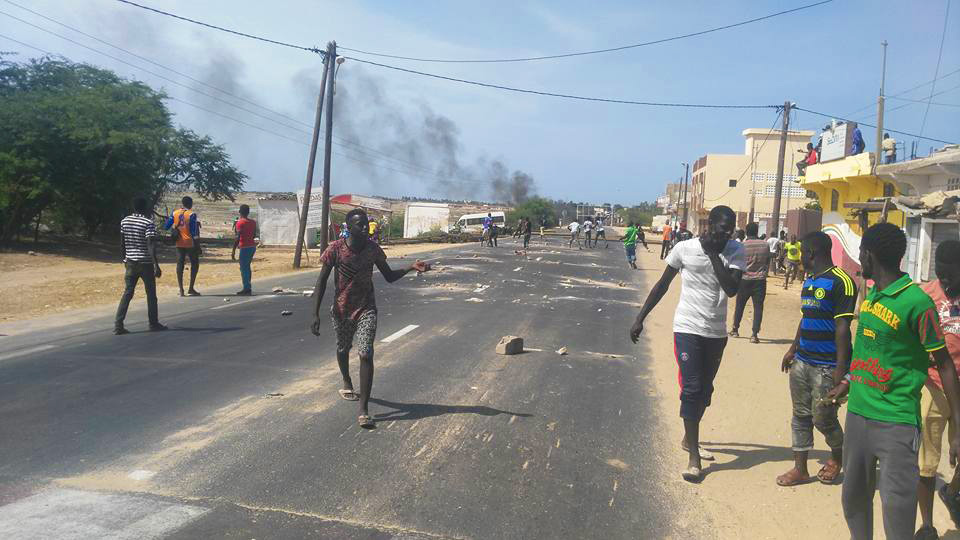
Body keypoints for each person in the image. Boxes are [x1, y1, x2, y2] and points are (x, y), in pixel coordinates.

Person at [839, 222, 960, 540]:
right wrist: (849, 379)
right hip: (857, 415)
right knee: (853, 500)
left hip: (896, 422)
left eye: (861, 253)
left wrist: (958, 424)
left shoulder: (917, 303)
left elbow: (945, 364)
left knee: (897, 509)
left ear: (868, 255)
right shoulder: (873, 295)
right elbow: (868, 350)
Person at [630, 205, 745, 482]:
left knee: (706, 390)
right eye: (720, 229)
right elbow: (662, 284)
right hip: (687, 328)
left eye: (729, 231)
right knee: (692, 387)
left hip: (715, 332)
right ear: (709, 226)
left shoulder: (735, 250)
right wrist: (640, 317)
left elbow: (731, 289)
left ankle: (687, 438)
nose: (725, 235)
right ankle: (693, 457)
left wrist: (715, 254)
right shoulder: (684, 248)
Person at [311, 208, 431, 429]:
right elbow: (321, 282)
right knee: (342, 348)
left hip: (367, 308)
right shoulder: (335, 250)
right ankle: (347, 381)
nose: (365, 227)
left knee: (365, 353)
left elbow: (389, 276)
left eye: (366, 224)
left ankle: (363, 409)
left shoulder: (373, 249)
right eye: (360, 224)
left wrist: (410, 267)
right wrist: (315, 313)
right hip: (342, 309)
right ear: (348, 227)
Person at [776, 231, 856, 488]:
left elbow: (843, 327)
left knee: (823, 418)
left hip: (827, 365)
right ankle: (800, 469)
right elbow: (805, 317)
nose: (798, 256)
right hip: (802, 361)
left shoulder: (842, 281)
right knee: (799, 415)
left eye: (801, 251)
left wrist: (840, 371)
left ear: (811, 252)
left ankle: (838, 457)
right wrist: (792, 349)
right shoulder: (810, 281)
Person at [917, 240, 960, 539]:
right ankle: (927, 524)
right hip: (933, 387)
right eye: (941, 274)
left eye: (951, 276)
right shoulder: (924, 295)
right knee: (927, 462)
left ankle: (952, 491)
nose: (945, 280)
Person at [115, 197, 166, 335]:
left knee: (128, 293)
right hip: (145, 263)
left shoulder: (124, 221)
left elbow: (122, 243)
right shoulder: (148, 222)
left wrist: (124, 259)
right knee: (151, 294)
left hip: (130, 262)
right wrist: (156, 265)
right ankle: (153, 323)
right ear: (145, 208)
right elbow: (150, 244)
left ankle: (118, 325)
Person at [729, 222, 771, 343]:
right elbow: (767, 262)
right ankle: (754, 334)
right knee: (758, 307)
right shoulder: (765, 245)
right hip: (760, 280)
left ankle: (735, 329)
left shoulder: (742, 245)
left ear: (747, 232)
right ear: (757, 231)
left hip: (745, 279)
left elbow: (737, 263)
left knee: (740, 305)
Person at [164, 195, 201, 296]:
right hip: (190, 243)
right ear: (190, 204)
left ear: (182, 203)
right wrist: (198, 246)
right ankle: (191, 288)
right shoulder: (191, 214)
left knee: (180, 265)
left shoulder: (175, 213)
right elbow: (194, 232)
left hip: (178, 242)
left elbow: (166, 226)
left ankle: (181, 290)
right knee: (195, 264)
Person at [231, 204, 257, 296]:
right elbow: (254, 235)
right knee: (247, 267)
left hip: (244, 247)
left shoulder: (240, 223)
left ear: (240, 212)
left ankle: (246, 288)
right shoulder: (253, 222)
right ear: (248, 212)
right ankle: (248, 286)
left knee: (243, 268)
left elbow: (237, 237)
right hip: (252, 247)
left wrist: (233, 250)